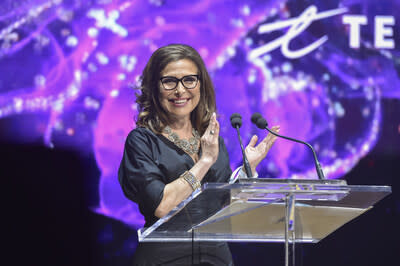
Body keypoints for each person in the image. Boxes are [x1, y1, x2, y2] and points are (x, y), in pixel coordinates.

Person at [118, 44, 280, 266]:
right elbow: (162, 206)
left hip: (215, 257)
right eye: (169, 81)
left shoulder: (212, 140)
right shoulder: (142, 141)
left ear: (201, 85)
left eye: (189, 80)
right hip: (166, 258)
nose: (180, 90)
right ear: (154, 88)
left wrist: (246, 171)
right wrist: (204, 162)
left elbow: (222, 208)